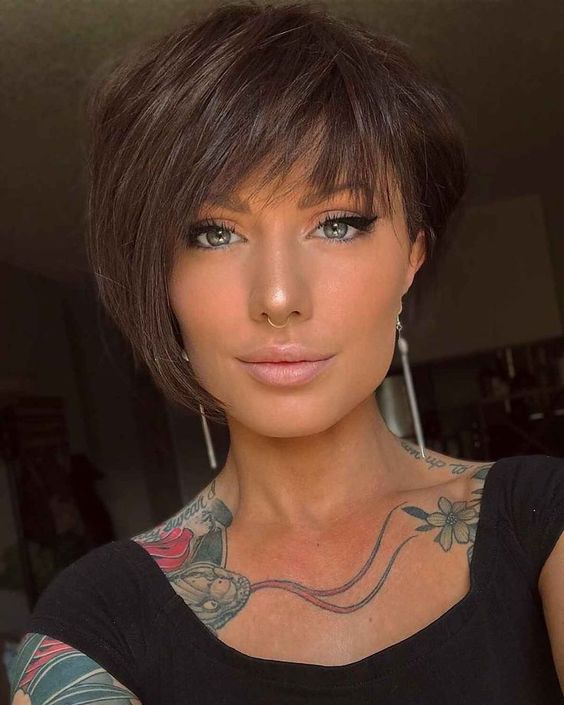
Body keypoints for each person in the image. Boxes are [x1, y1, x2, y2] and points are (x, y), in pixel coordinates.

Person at [9, 2, 563, 703]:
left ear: (411, 257)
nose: (278, 296)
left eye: (338, 223)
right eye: (214, 232)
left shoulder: (542, 519)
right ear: (162, 277)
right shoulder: (93, 625)